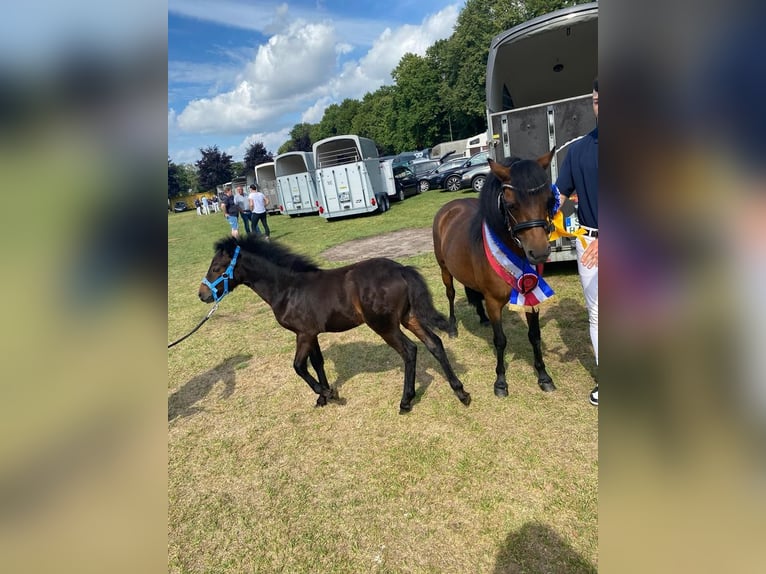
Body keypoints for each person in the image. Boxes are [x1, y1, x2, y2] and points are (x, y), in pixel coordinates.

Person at [555, 77, 598, 406]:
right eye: (597, 101)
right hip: (588, 243)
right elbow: (560, 194)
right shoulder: (579, 150)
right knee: (598, 315)